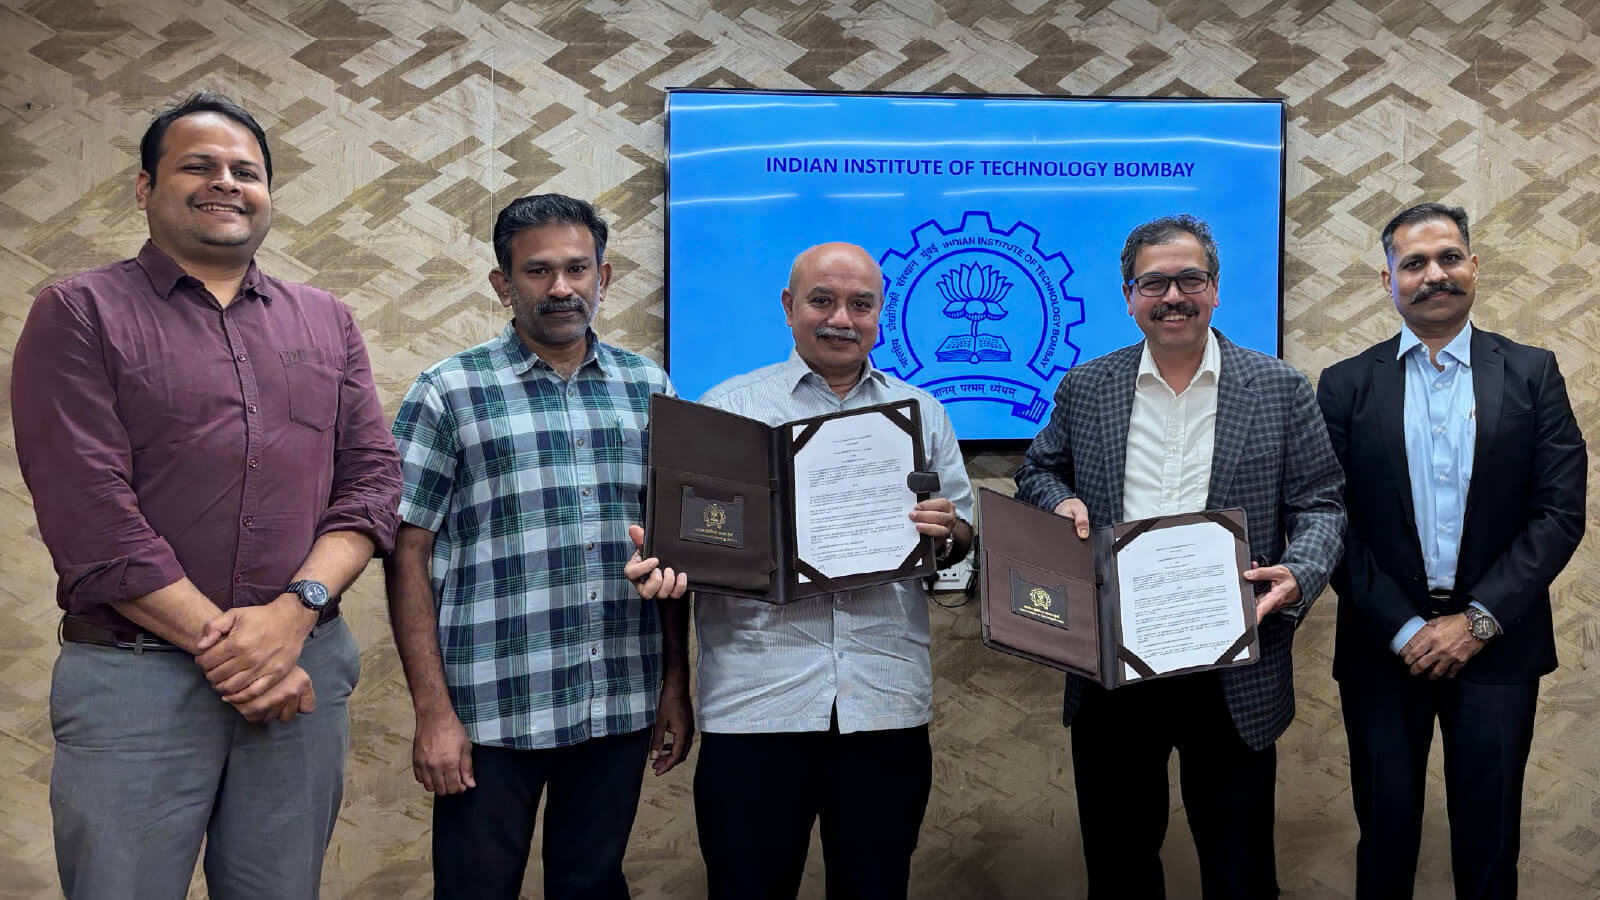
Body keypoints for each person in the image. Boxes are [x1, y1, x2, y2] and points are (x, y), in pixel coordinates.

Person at [11, 91, 401, 898]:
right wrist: (241, 652)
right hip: (136, 683)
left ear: (267, 194)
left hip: (303, 671)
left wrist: (294, 616)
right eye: (199, 165)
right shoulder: (79, 312)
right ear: (146, 187)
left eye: (245, 170)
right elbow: (91, 513)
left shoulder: (327, 320)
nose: (225, 181)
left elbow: (371, 484)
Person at [628, 241, 974, 899]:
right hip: (756, 706)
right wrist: (666, 566)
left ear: (880, 313)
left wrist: (949, 530)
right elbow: (684, 549)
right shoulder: (725, 409)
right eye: (823, 300)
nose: (841, 317)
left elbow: (961, 544)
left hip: (884, 707)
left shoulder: (922, 412)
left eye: (860, 304)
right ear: (790, 307)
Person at [1013, 214, 1345, 899]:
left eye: (1190, 278)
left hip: (1233, 663)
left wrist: (1300, 572)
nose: (1173, 295)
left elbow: (1323, 504)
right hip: (1112, 662)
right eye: (1154, 282)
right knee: (1119, 860)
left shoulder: (1280, 387)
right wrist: (1058, 503)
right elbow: (1038, 470)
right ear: (1128, 296)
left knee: (1240, 866)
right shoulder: (1087, 385)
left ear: (1216, 289)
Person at [385, 194, 691, 900]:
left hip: (615, 698)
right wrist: (433, 713)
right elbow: (407, 551)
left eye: (578, 269)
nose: (561, 287)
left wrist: (675, 684)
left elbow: (672, 551)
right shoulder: (449, 391)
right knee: (474, 890)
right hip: (490, 711)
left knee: (591, 886)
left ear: (604, 277)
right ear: (503, 284)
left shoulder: (649, 388)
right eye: (538, 271)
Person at [1316, 202, 1586, 899]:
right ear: (1388, 281)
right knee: (1385, 838)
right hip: (1383, 647)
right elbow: (1329, 520)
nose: (1435, 275)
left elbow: (1558, 514)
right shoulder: (1346, 385)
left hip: (1500, 647)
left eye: (1449, 258)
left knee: (1492, 844)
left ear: (1474, 267)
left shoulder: (1533, 373)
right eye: (1414, 263)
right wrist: (1407, 628)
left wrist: (1477, 621)